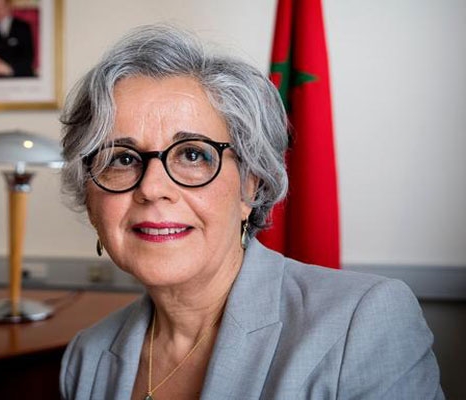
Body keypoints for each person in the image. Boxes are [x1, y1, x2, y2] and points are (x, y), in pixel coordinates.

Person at [58, 24, 444, 399]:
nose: (152, 188)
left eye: (192, 155)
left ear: (250, 185)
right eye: (122, 159)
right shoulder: (86, 359)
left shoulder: (361, 324)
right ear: (91, 200)